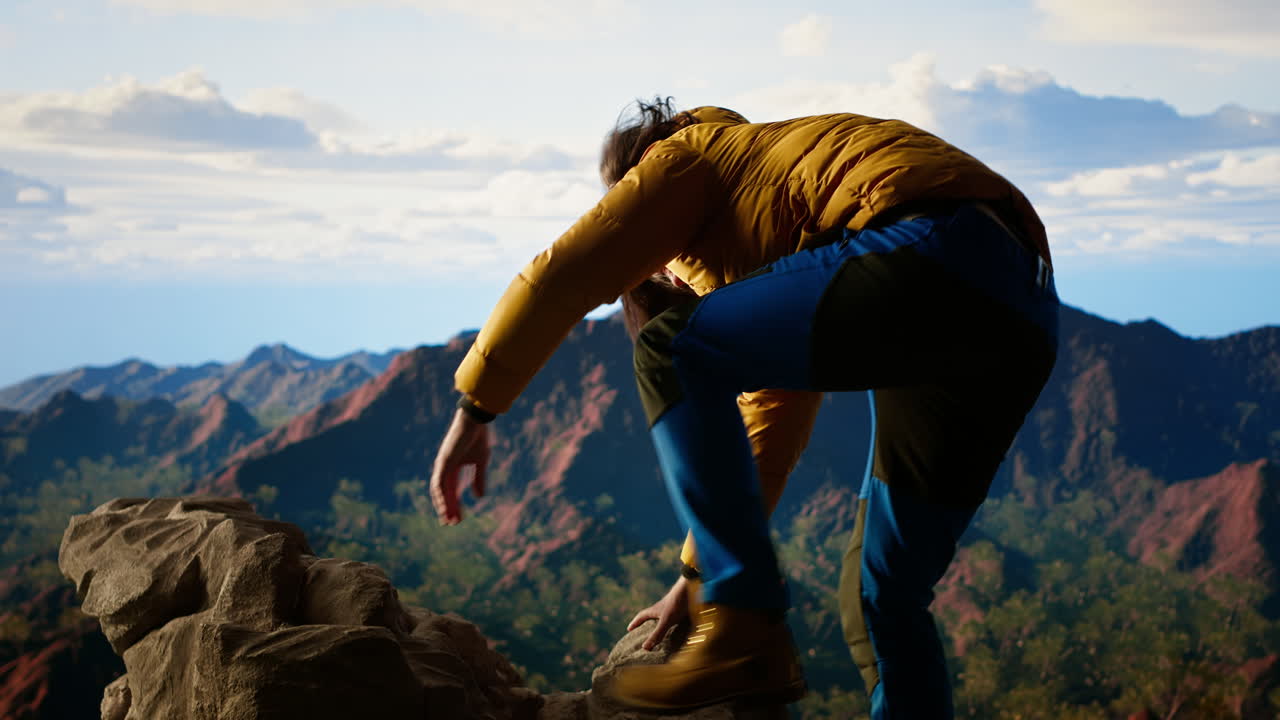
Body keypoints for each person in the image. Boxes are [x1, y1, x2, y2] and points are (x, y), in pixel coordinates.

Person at [429, 98, 1059, 718]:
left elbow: (563, 272)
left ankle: (742, 629)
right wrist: (695, 576)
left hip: (933, 254)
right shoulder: (768, 188)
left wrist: (476, 409)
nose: (662, 274)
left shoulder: (684, 158)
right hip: (1022, 307)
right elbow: (769, 417)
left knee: (669, 349)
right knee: (883, 594)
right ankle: (747, 622)